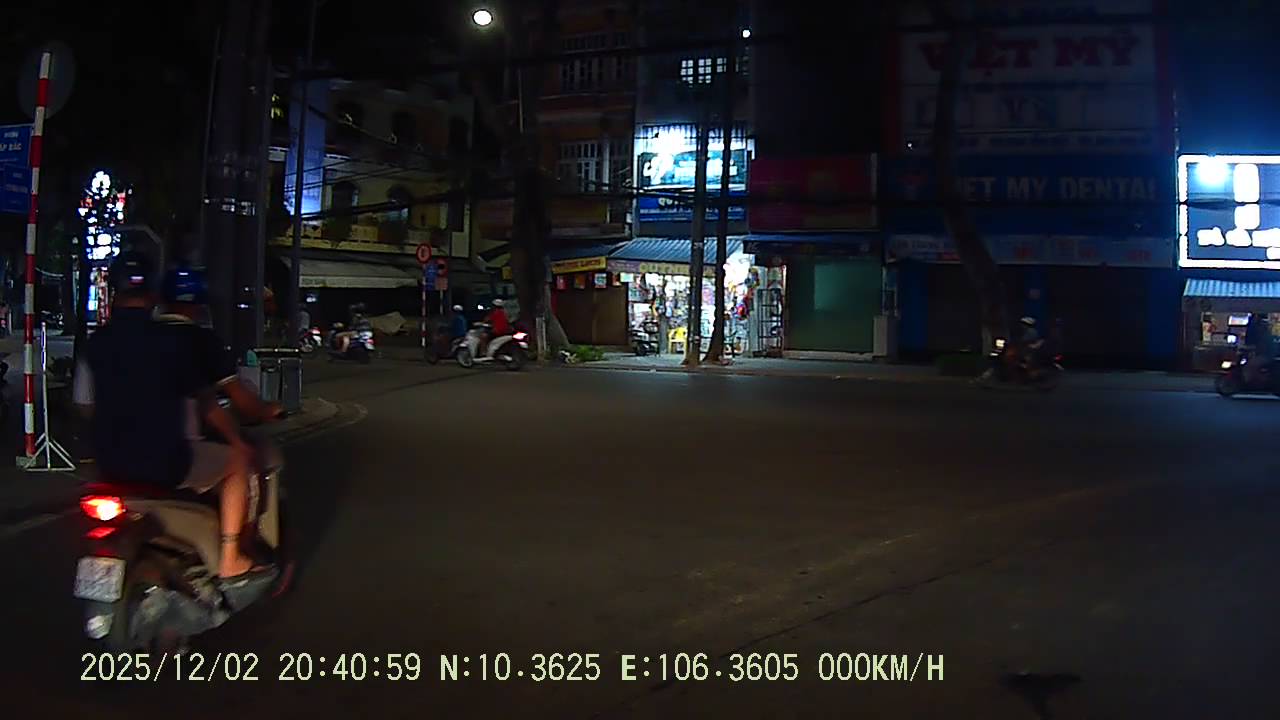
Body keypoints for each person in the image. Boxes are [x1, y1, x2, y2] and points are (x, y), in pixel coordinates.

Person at [73, 252, 274, 588]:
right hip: (166, 463)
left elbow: (84, 405)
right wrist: (236, 439)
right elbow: (207, 405)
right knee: (238, 460)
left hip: (108, 465)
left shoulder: (95, 343)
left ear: (113, 293)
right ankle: (230, 559)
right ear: (153, 296)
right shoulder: (172, 343)